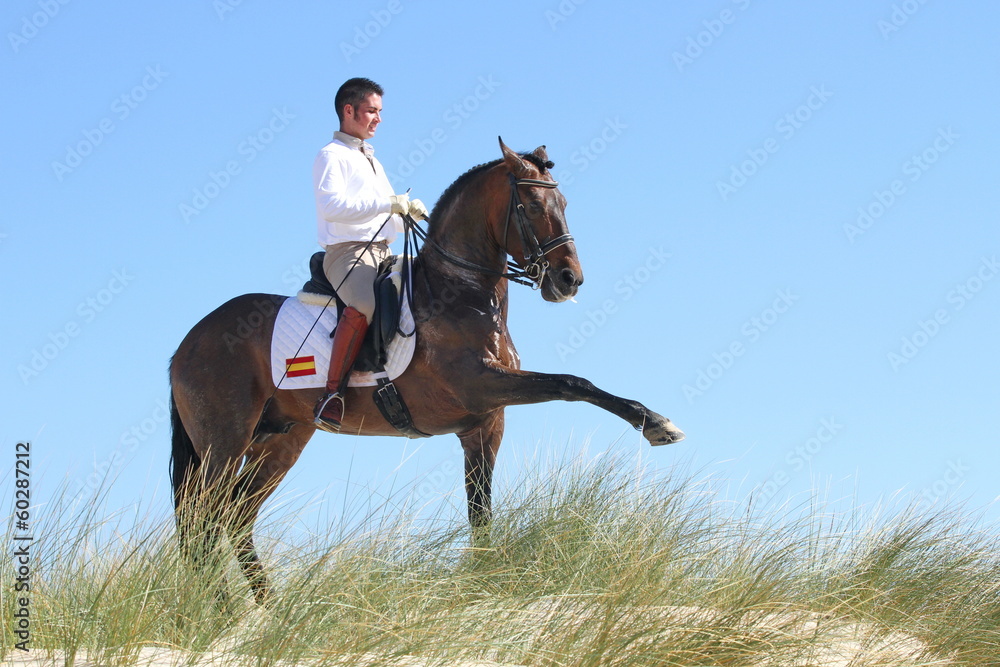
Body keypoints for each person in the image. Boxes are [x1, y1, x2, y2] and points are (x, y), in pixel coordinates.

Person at [312, 77, 427, 432]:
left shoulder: (372, 161)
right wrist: (388, 203)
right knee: (364, 302)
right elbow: (332, 206)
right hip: (347, 254)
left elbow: (383, 217)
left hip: (382, 252)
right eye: (372, 111)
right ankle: (332, 396)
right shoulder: (331, 156)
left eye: (380, 112)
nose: (378, 119)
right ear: (349, 110)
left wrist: (407, 217)